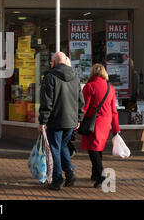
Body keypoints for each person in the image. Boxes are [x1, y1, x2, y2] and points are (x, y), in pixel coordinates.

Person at [38, 51, 84, 190]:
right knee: (63, 146)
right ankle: (70, 172)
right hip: (70, 121)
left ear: (54, 62)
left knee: (55, 149)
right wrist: (78, 118)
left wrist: (42, 121)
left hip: (56, 120)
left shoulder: (50, 77)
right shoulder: (75, 77)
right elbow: (80, 101)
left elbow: (47, 102)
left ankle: (57, 180)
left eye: (52, 62)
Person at [80, 64, 120, 187]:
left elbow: (84, 107)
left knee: (93, 150)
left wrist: (78, 121)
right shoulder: (110, 88)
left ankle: (101, 175)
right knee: (98, 148)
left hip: (93, 122)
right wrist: (116, 128)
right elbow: (114, 110)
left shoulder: (89, 86)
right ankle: (95, 174)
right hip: (105, 122)